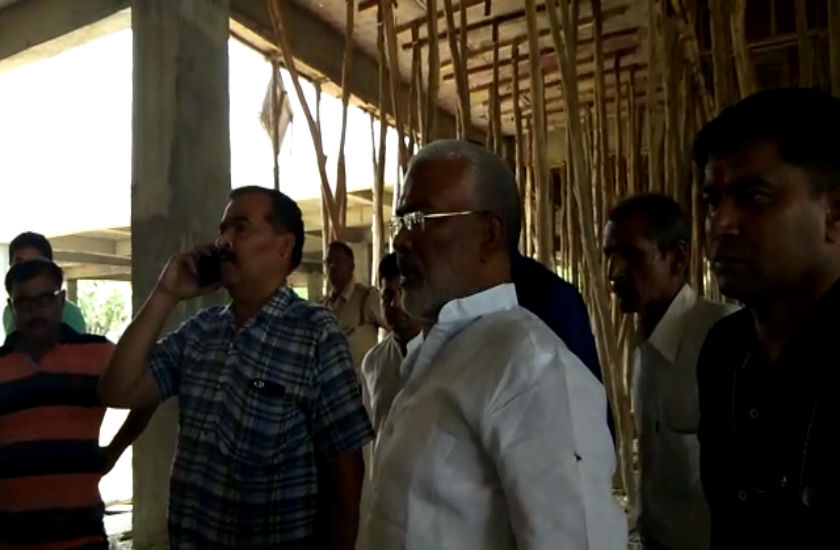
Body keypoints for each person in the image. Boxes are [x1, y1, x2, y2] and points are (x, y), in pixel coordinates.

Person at [359, 140, 626, 549]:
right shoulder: (434, 358)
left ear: (488, 234)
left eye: (422, 219)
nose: (402, 241)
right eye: (401, 222)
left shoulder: (532, 368)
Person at [97, 186, 373, 548]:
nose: (223, 241)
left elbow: (346, 470)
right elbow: (117, 390)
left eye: (240, 228)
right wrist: (166, 293)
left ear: (283, 246)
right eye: (222, 230)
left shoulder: (316, 333)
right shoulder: (201, 331)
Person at [693, 87, 840, 547]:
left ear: (834, 215)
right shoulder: (722, 352)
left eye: (753, 196)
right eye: (712, 200)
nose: (720, 224)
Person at [604, 193, 736, 550]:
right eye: (610, 256)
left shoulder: (723, 341)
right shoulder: (644, 345)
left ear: (678, 257)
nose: (613, 273)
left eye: (630, 255)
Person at [0, 259, 153, 550]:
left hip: (83, 536)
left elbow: (150, 390)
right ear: (11, 307)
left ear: (61, 300)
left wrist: (115, 449)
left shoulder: (98, 355)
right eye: (24, 303)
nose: (35, 313)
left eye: (44, 300)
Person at [360, 252, 422, 434]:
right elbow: (370, 434)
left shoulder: (444, 355)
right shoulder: (373, 362)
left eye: (402, 293)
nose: (395, 304)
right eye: (387, 295)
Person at [2, 232, 86, 335]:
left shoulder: (70, 313)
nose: (27, 271)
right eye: (19, 264)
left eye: (36, 264)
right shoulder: (9, 312)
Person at [322, 241, 387, 368]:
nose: (332, 266)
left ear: (351, 266)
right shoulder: (324, 305)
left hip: (360, 379)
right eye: (328, 262)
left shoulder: (367, 298)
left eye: (338, 261)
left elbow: (399, 329)